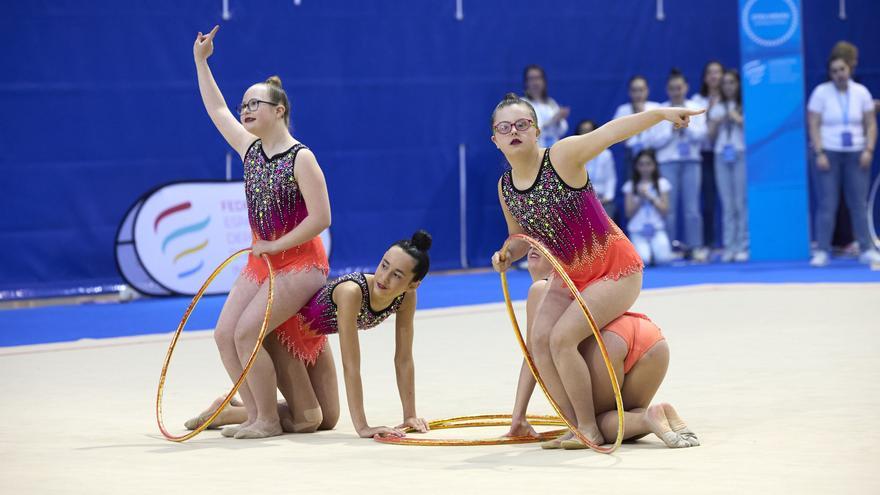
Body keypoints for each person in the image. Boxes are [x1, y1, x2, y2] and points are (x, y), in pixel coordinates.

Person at [490, 91, 703, 446]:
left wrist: (661, 114)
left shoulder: (561, 156)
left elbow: (611, 132)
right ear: (495, 140)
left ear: (537, 130)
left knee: (562, 338)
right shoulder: (506, 187)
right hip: (569, 274)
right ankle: (576, 425)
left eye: (523, 124)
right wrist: (505, 254)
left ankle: (589, 428)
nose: (515, 131)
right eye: (505, 127)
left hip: (614, 268)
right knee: (539, 342)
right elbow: (520, 236)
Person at [194, 25, 332, 438]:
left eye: (255, 104)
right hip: (264, 261)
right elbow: (217, 110)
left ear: (280, 110)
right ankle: (253, 412)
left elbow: (321, 218)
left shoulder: (300, 157)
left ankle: (268, 420)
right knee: (223, 334)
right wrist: (202, 63)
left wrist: (276, 244)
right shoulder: (249, 149)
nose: (245, 111)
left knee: (247, 331)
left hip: (302, 263)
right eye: (244, 105)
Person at [186, 232, 433, 439]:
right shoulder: (352, 292)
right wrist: (363, 427)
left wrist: (409, 415)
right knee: (308, 420)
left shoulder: (406, 298)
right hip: (285, 331)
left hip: (314, 337)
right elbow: (351, 364)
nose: (384, 278)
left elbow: (403, 359)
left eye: (397, 275)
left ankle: (228, 410)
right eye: (384, 265)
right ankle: (253, 412)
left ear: (413, 284)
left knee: (328, 419)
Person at [505, 252, 698, 449]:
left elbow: (533, 355)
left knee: (590, 424)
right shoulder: (591, 274)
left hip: (609, 345)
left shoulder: (541, 288)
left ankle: (647, 420)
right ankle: (651, 415)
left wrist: (518, 416)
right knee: (626, 414)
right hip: (649, 339)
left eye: (542, 246)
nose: (531, 252)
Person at [807, 55, 880, 267]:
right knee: (827, 204)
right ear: (830, 74)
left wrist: (869, 149)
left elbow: (871, 124)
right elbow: (813, 123)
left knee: (858, 203)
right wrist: (819, 152)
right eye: (835, 71)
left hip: (856, 153)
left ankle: (866, 248)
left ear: (849, 70)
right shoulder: (821, 93)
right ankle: (822, 250)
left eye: (842, 69)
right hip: (828, 152)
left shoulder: (861, 92)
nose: (839, 74)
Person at [649, 69, 710, 262]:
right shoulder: (660, 110)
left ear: (686, 88)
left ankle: (695, 247)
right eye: (673, 89)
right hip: (667, 162)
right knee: (670, 208)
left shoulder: (695, 107)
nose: (677, 91)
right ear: (668, 90)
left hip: (691, 161)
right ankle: (669, 247)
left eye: (680, 88)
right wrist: (671, 127)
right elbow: (654, 141)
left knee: (692, 207)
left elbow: (702, 136)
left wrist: (686, 125)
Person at [707, 69, 749, 262]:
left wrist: (737, 119)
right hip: (721, 155)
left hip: (740, 153)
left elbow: (753, 131)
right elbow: (710, 137)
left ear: (738, 84)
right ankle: (729, 246)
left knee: (741, 202)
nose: (728, 86)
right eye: (725, 83)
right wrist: (716, 123)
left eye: (732, 82)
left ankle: (743, 245)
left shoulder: (745, 104)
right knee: (728, 203)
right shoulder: (717, 106)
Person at [691, 61, 724, 251]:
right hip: (705, 154)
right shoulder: (697, 100)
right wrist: (710, 110)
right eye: (710, 73)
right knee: (708, 200)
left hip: (727, 153)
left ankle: (733, 241)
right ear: (705, 78)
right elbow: (699, 127)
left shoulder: (731, 97)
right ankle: (709, 242)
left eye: (717, 72)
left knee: (731, 199)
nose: (714, 76)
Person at [622, 150, 674, 265]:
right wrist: (640, 198)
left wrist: (651, 198)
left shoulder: (662, 183)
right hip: (638, 231)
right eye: (641, 164)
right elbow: (628, 213)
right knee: (643, 259)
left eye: (648, 164)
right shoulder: (630, 185)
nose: (645, 168)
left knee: (663, 259)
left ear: (654, 165)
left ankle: (654, 252)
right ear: (636, 167)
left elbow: (665, 210)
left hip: (657, 230)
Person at [522, 65, 570, 148]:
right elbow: (529, 131)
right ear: (526, 82)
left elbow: (562, 130)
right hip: (533, 152)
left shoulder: (551, 103)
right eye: (531, 79)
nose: (535, 82)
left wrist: (559, 120)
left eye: (538, 78)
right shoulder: (522, 104)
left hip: (552, 151)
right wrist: (553, 120)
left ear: (544, 81)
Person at [577, 120, 617, 219]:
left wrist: (607, 198)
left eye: (589, 131)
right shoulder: (574, 155)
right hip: (582, 201)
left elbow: (610, 178)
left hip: (603, 200)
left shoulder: (606, 154)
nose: (586, 134)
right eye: (583, 131)